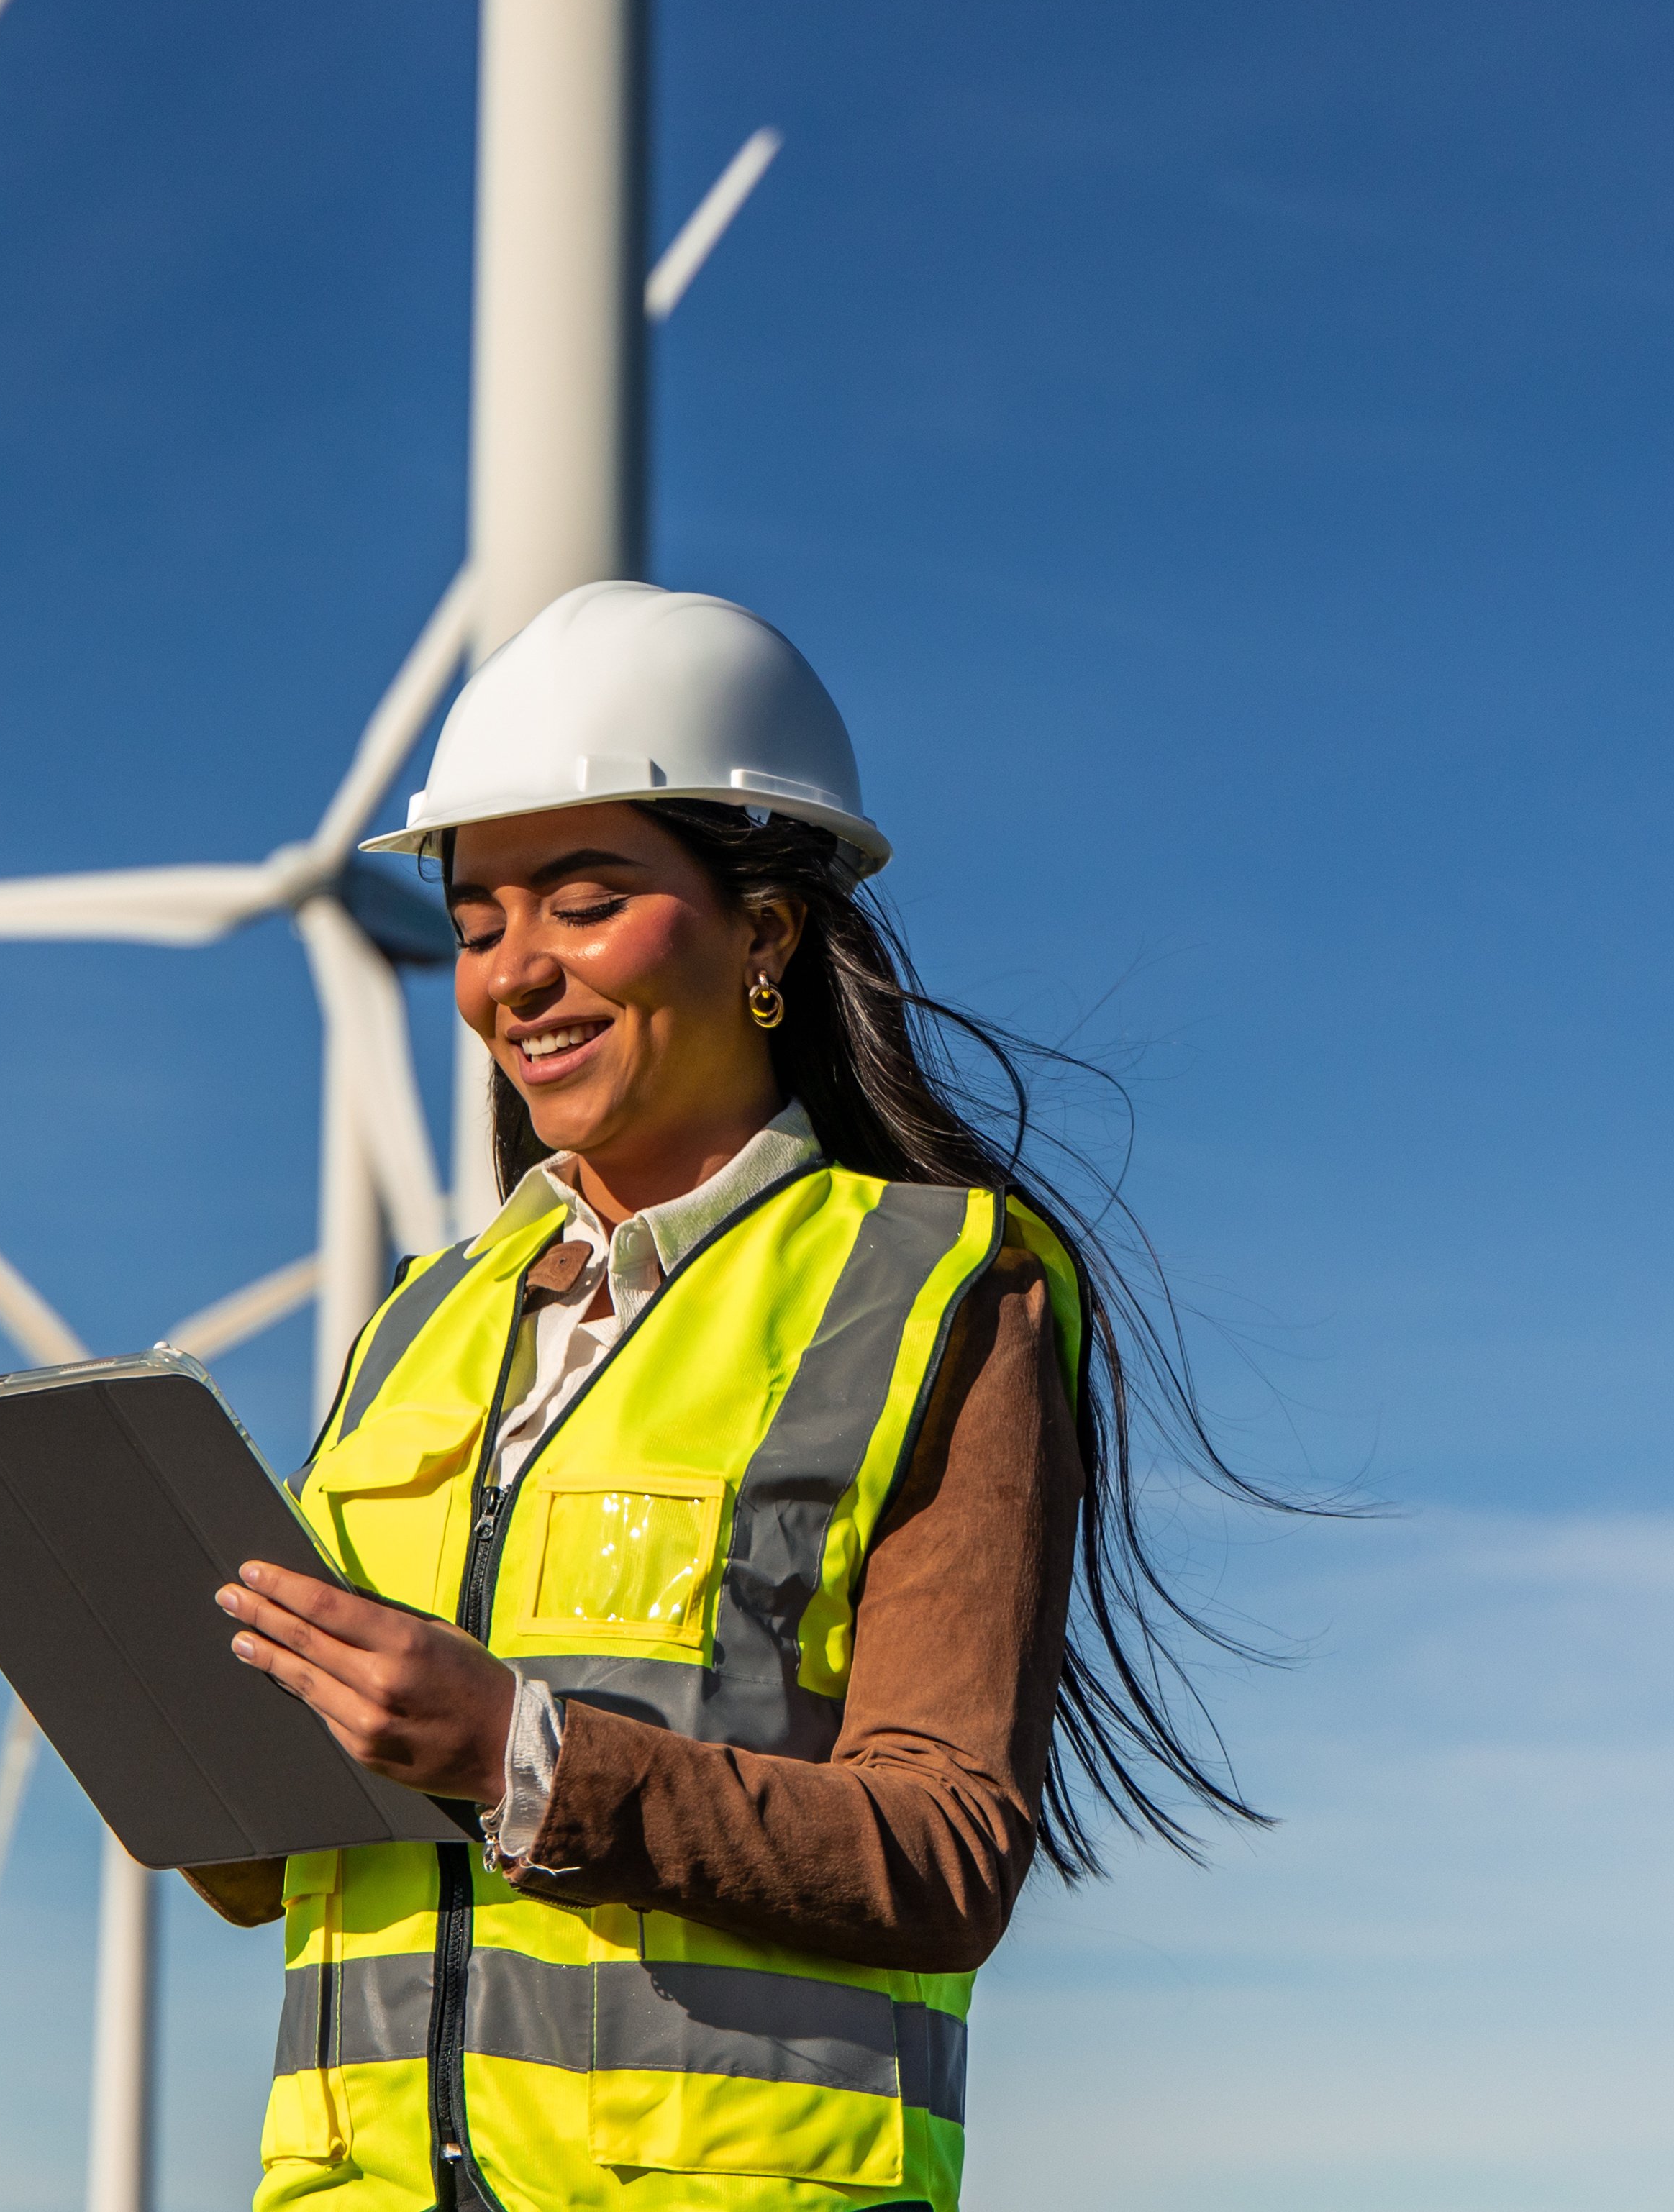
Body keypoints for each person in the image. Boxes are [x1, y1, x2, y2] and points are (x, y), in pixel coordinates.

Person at [192, 581, 1273, 2212]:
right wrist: (172, 1724)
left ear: (763, 932)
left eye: (583, 900)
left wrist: (518, 1753)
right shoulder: (417, 1318)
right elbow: (279, 1863)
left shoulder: (933, 1287)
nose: (514, 975)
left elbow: (943, 1848)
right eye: (479, 922)